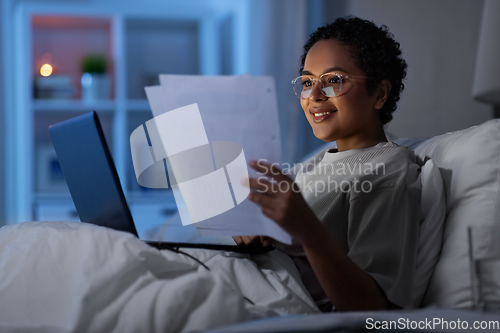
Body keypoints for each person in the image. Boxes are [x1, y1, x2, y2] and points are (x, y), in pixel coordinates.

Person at [233, 16, 432, 312]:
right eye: (308, 81)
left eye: (334, 80)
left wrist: (307, 230)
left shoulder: (387, 169)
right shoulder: (316, 163)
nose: (313, 96)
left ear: (379, 93)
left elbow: (374, 310)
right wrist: (257, 230)